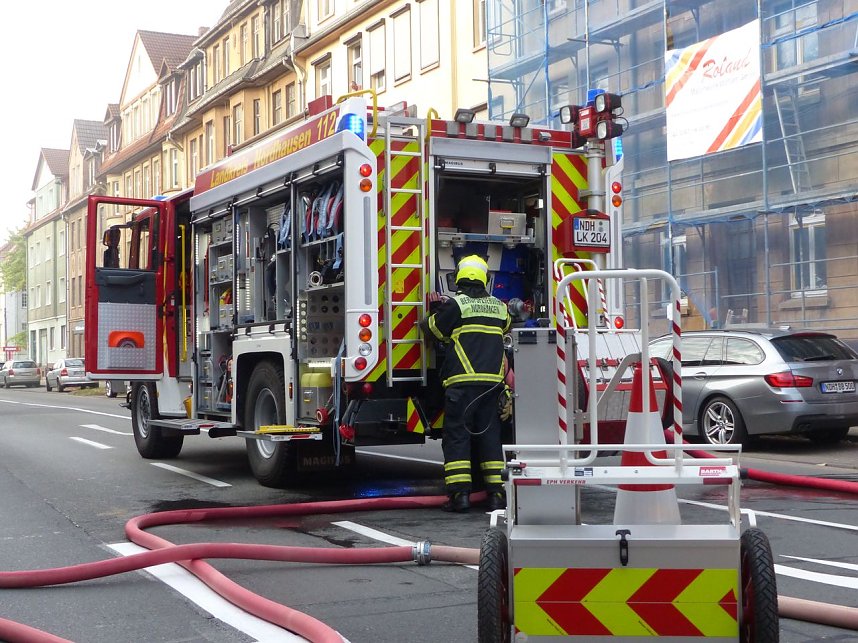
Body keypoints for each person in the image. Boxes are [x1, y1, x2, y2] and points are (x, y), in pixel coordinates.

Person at [420, 255, 511, 513]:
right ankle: (496, 495)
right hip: (492, 386)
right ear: (484, 278)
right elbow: (505, 327)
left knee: (458, 438)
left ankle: (460, 497)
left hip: (462, 386)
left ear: (459, 277)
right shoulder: (500, 307)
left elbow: (434, 330)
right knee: (490, 439)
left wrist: (433, 312)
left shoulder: (457, 306)